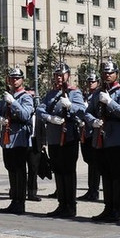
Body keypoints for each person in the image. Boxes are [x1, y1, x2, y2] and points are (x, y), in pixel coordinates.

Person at [85, 59, 120, 223]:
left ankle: (118, 209)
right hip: (101, 137)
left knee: (117, 175)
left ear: (116, 74)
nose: (107, 75)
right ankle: (108, 207)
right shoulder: (98, 92)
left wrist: (110, 102)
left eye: (110, 73)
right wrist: (93, 121)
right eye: (105, 72)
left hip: (117, 137)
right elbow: (88, 112)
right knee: (105, 173)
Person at [37, 63, 85, 218]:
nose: (59, 77)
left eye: (61, 75)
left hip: (69, 136)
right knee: (58, 170)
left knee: (68, 171)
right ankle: (61, 204)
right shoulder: (51, 94)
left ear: (68, 75)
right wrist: (49, 118)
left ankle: (70, 205)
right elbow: (40, 110)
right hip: (54, 137)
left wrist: (70, 106)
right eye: (56, 75)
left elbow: (82, 111)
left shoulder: (74, 92)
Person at [0, 66, 34, 214]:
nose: (14, 81)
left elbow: (25, 115)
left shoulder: (26, 97)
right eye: (12, 78)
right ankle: (14, 200)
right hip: (7, 138)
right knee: (10, 168)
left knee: (19, 171)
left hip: (19, 138)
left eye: (17, 78)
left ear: (22, 80)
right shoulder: (7, 95)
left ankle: (20, 202)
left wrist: (13, 102)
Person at [78, 73, 101, 201]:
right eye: (89, 82)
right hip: (85, 132)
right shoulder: (86, 96)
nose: (90, 83)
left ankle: (94, 190)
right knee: (89, 161)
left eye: (93, 81)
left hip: (94, 132)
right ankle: (90, 189)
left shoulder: (98, 96)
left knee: (94, 163)